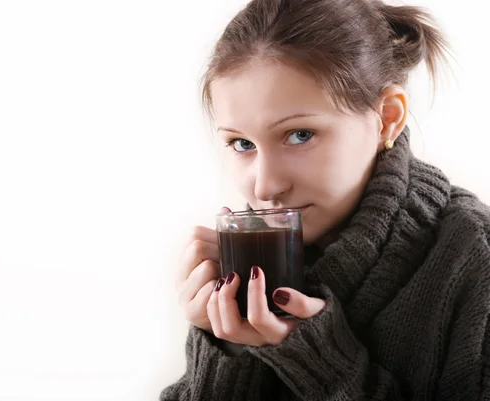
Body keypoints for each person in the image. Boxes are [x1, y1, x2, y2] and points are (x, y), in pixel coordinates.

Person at [161, 0, 490, 400]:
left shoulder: (475, 259)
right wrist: (225, 346)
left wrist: (323, 367)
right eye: (242, 143)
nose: (264, 188)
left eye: (300, 135)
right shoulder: (253, 268)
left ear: (387, 116)